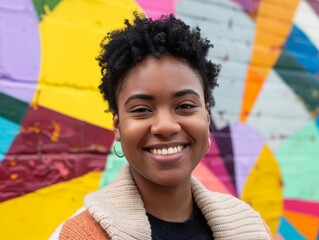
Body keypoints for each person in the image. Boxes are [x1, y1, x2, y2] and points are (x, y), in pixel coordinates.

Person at [50, 12, 272, 240]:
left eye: (185, 105)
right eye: (141, 110)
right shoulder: (78, 235)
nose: (165, 126)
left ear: (207, 117)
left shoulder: (252, 229)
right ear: (118, 126)